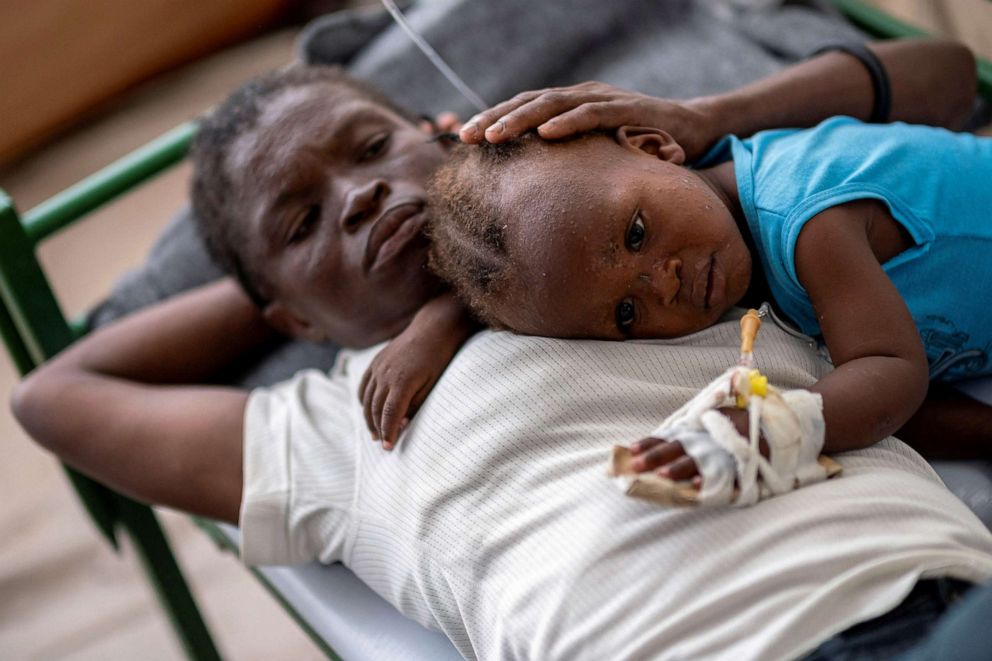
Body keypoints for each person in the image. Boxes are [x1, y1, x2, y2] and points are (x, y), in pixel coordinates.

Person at [10, 39, 992, 659]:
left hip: (926, 591)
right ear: (293, 321)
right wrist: (334, 298)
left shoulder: (678, 237)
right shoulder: (347, 425)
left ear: (447, 132)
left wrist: (706, 122)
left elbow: (942, 80)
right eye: (303, 220)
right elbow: (56, 396)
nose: (356, 197)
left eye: (367, 149)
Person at [427, 44, 992, 488]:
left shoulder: (804, 215)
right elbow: (889, 404)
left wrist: (763, 433)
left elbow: (891, 376)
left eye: (636, 233)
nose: (661, 283)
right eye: (626, 312)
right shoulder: (743, 265)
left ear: (656, 145)